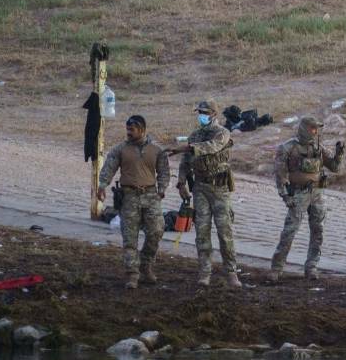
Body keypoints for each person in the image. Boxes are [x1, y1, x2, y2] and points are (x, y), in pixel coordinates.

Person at [167, 100, 241, 288]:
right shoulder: (195, 135)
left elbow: (211, 147)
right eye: (199, 112)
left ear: (214, 114)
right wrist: (181, 182)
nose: (201, 115)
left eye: (205, 112)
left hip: (219, 189)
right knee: (202, 231)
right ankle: (205, 271)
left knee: (225, 232)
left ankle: (231, 271)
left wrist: (185, 147)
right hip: (200, 187)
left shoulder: (222, 133)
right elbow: (185, 162)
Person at [96, 115, 169, 289]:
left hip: (151, 196)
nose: (128, 133)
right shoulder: (120, 149)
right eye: (127, 129)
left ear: (142, 130)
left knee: (156, 231)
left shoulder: (156, 150)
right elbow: (109, 167)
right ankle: (132, 274)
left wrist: (162, 189)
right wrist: (102, 185)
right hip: (129, 197)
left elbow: (164, 171)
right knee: (130, 238)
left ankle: (146, 264)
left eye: (132, 129)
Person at [270, 115, 344, 282]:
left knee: (318, 231)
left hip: (317, 194)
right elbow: (280, 174)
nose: (315, 132)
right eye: (312, 128)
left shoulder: (318, 148)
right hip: (298, 194)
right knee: (289, 232)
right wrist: (285, 195)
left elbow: (336, 168)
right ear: (304, 129)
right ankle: (277, 268)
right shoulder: (288, 148)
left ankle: (312, 267)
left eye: (316, 129)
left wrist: (339, 153)